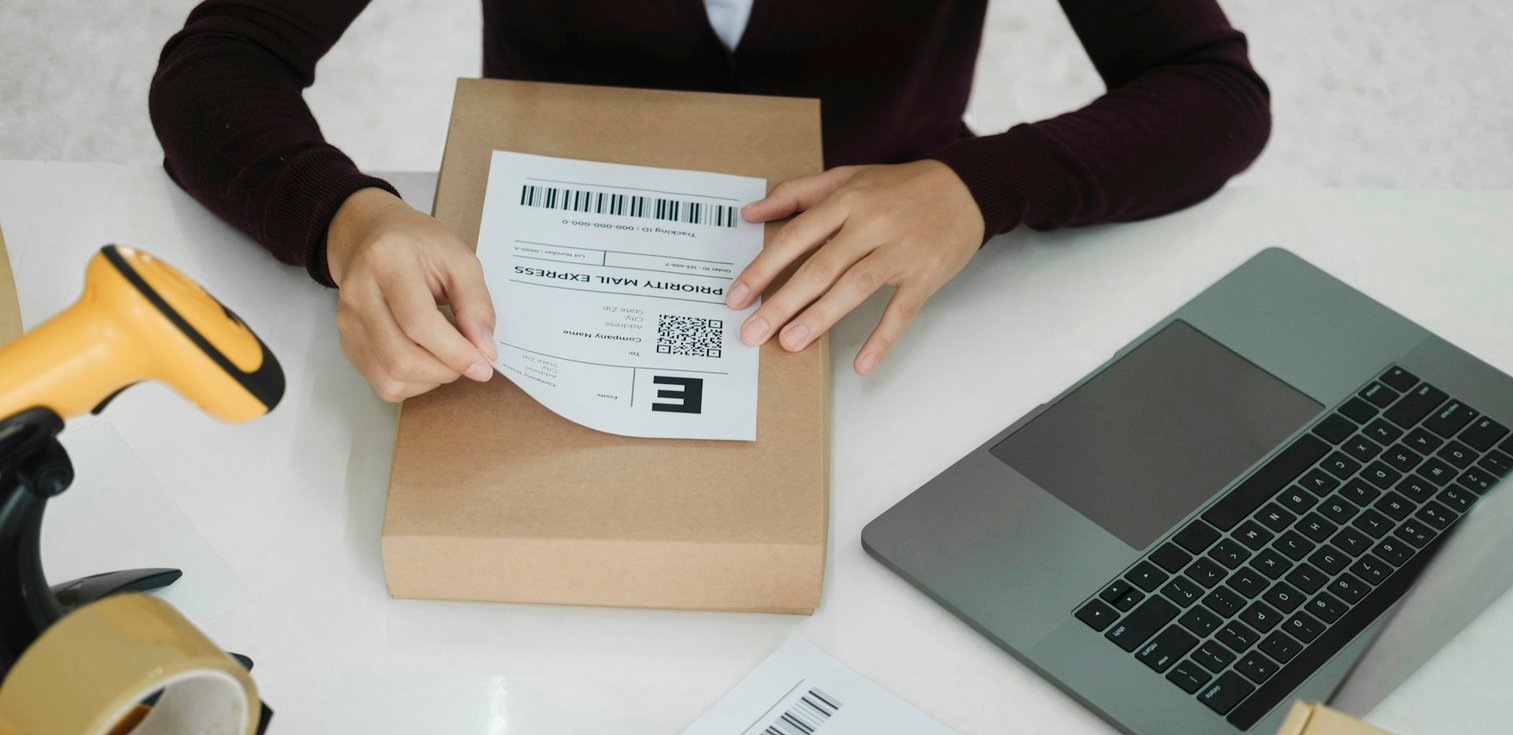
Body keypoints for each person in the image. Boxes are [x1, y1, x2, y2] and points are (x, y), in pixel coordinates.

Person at [150, 1, 1270, 402]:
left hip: (889, 319)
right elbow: (219, 65)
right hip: (538, 295)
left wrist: (977, 189)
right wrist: (353, 219)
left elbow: (1214, 94)